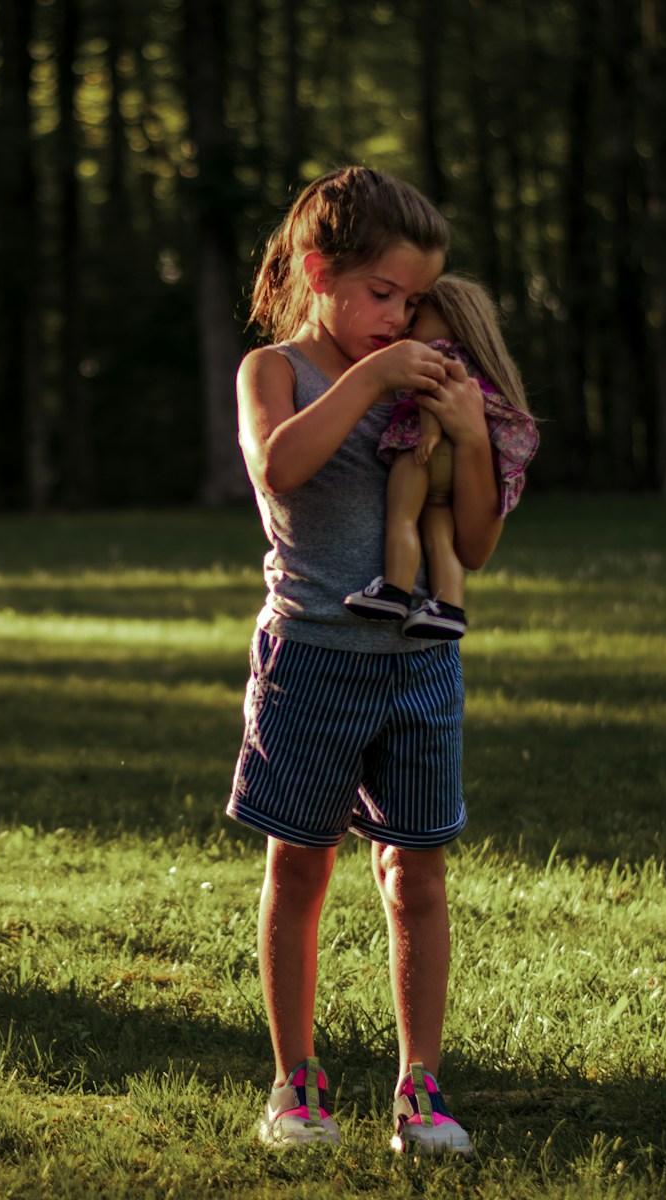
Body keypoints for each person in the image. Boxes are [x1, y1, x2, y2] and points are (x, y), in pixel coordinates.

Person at [228, 166, 505, 1156]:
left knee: (417, 874)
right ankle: (294, 1083)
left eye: (412, 299)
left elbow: (471, 545)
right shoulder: (277, 373)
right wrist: (370, 379)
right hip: (312, 661)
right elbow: (281, 467)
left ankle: (418, 1089)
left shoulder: (413, 376)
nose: (400, 315)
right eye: (383, 293)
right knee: (300, 867)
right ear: (319, 270)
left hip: (420, 670)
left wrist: (470, 435)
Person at [344, 274, 539, 640]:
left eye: (415, 317)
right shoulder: (473, 370)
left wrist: (428, 437)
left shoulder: (434, 356)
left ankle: (395, 591)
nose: (404, 325)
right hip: (451, 464)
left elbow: (430, 394)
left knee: (402, 517)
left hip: (420, 449)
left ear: (451, 318)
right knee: (439, 533)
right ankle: (448, 606)